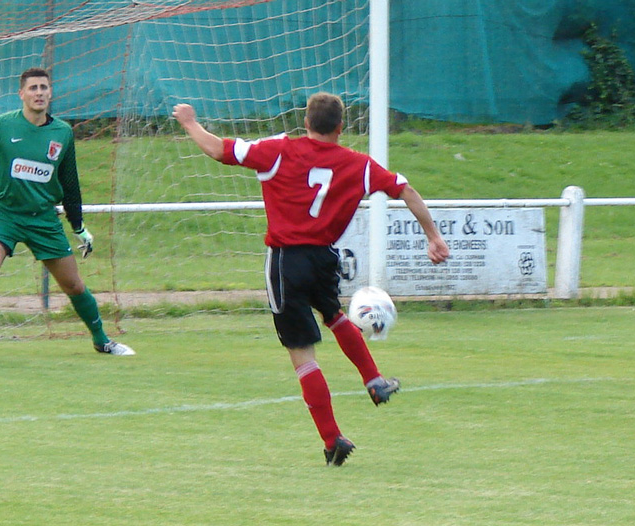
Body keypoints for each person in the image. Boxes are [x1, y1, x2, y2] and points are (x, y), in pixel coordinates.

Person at [171, 93, 450, 466]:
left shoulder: (278, 150)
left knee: (302, 355)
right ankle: (374, 380)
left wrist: (190, 122)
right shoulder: (359, 165)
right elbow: (406, 190)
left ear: (305, 122)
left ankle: (333, 439)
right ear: (340, 127)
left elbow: (218, 149)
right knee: (334, 315)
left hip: (286, 261)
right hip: (324, 258)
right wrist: (434, 237)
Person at [0, 68, 134, 359]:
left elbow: (70, 184)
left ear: (50, 93)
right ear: (21, 94)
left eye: (44, 87)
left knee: (73, 284)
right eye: (33, 88)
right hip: (4, 215)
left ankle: (103, 341)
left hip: (44, 219)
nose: (39, 93)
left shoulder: (62, 132)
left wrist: (78, 226)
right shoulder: (0, 125)